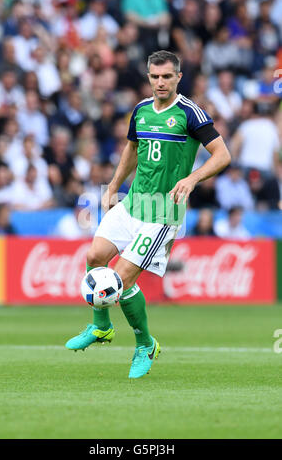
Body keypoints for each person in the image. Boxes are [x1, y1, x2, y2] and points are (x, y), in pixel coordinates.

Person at [65, 50, 231, 379]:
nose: (160, 82)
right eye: (155, 77)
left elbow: (222, 154)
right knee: (95, 256)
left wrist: (192, 177)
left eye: (167, 76)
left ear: (178, 77)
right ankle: (101, 328)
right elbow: (132, 148)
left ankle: (145, 344)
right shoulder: (141, 110)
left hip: (163, 211)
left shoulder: (190, 113)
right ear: (148, 77)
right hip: (134, 201)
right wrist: (113, 186)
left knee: (122, 278)